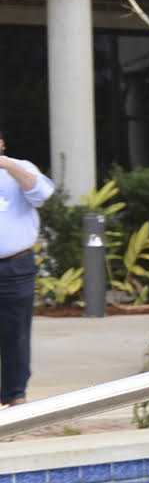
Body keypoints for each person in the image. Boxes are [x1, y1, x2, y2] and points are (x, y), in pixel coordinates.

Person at [0, 134, 53, 410]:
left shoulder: (21, 169)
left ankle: (14, 393)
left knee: (16, 332)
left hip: (14, 266)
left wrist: (7, 165)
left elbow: (42, 194)